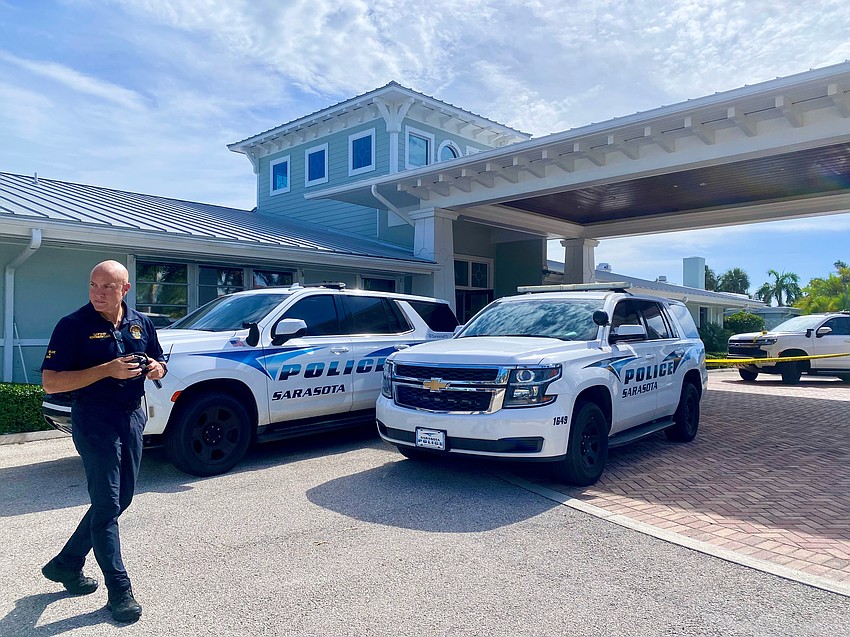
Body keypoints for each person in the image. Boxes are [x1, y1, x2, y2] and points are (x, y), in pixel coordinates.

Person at [40, 260, 167, 623]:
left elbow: (158, 359)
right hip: (94, 421)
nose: (98, 293)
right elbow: (51, 382)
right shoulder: (72, 326)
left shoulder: (140, 322)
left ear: (125, 289)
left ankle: (66, 564)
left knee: (119, 499)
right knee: (108, 504)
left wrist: (157, 368)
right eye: (94, 285)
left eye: (107, 287)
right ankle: (119, 590)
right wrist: (106, 370)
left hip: (131, 417)